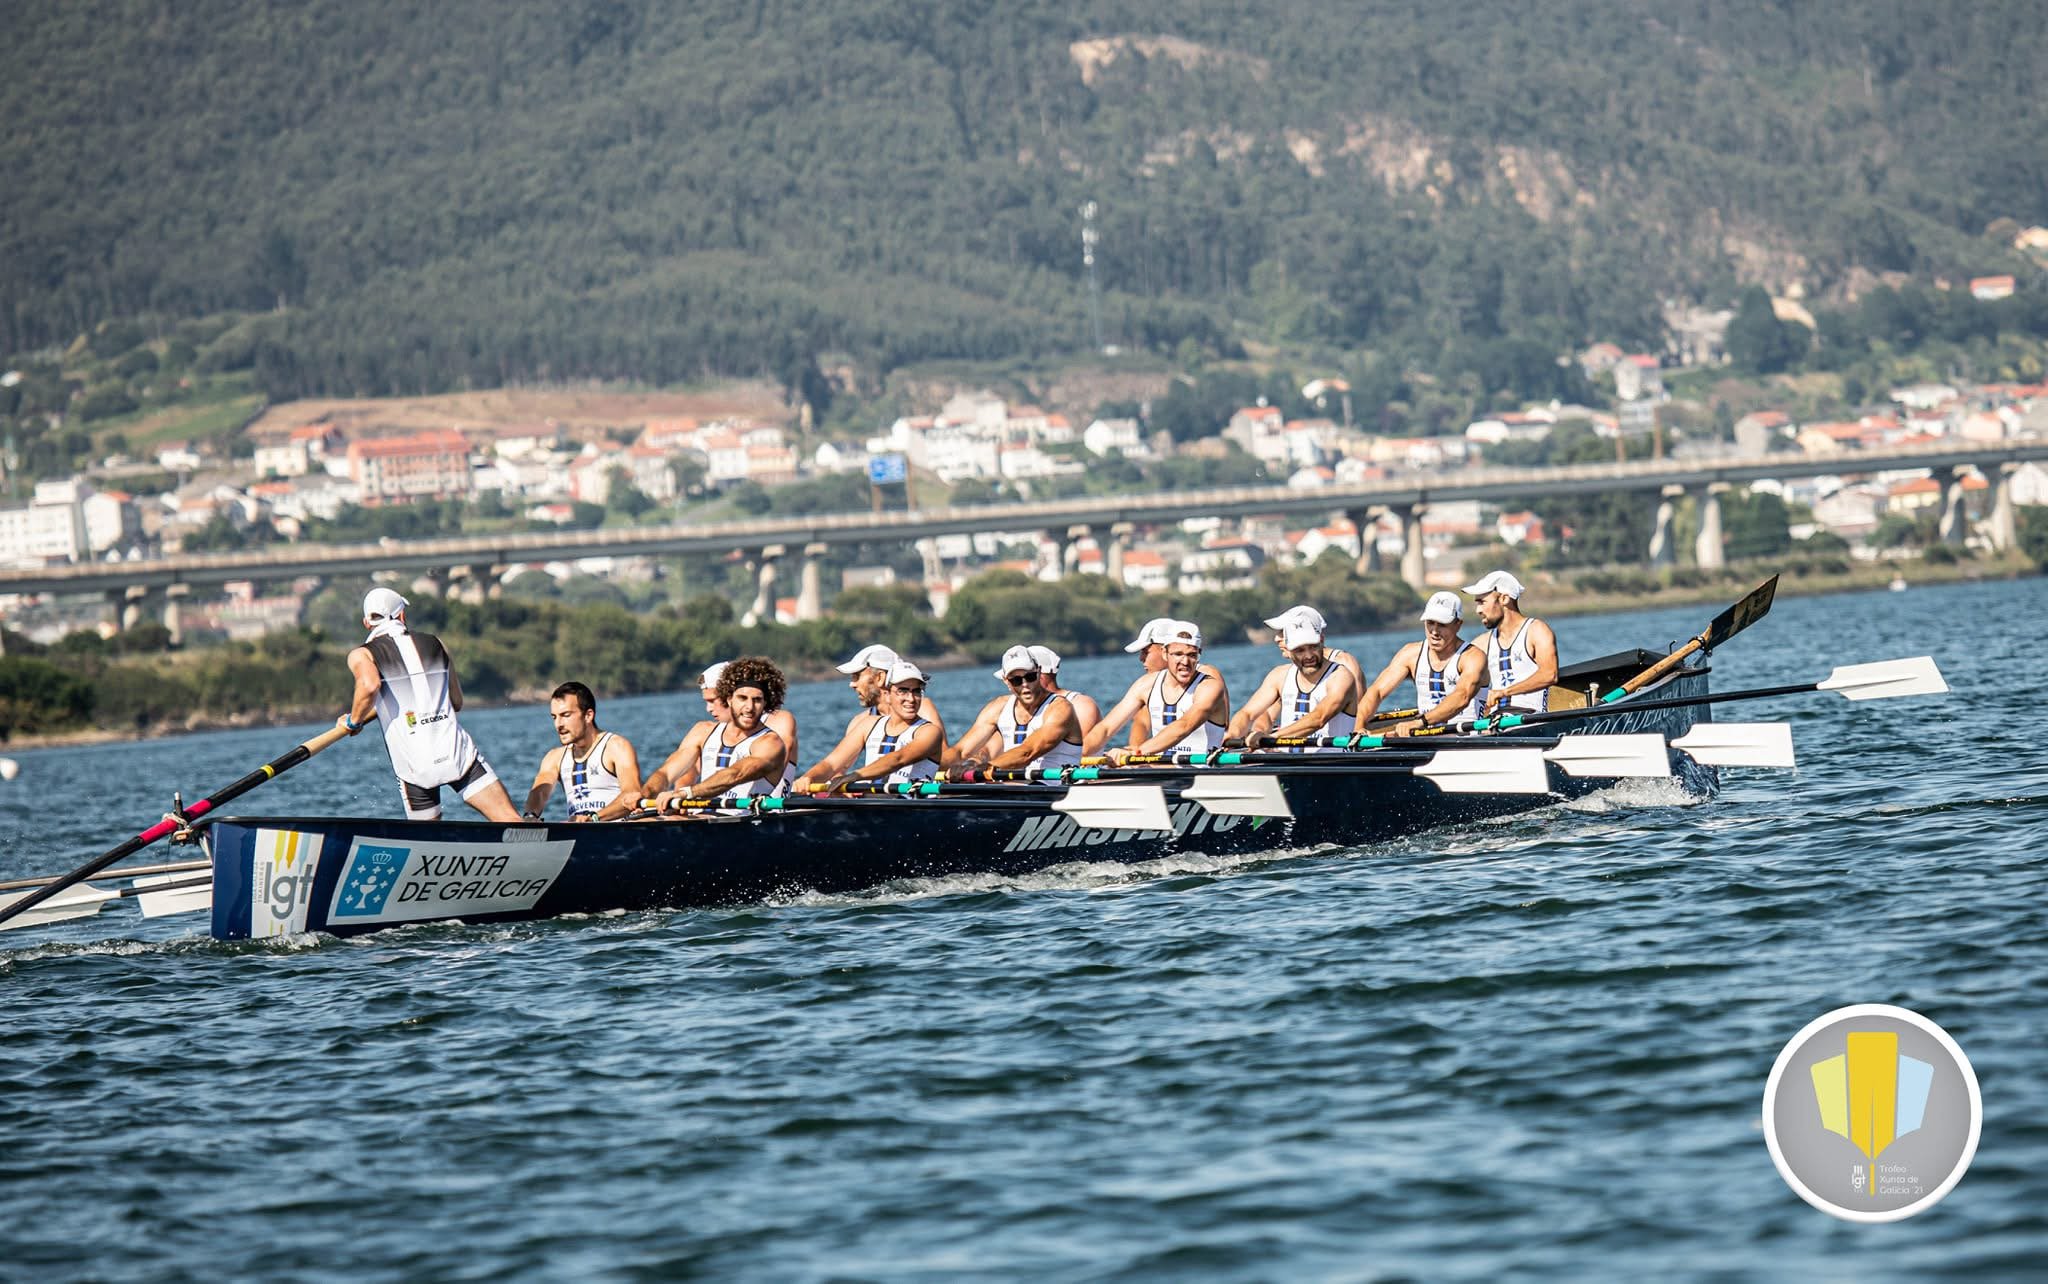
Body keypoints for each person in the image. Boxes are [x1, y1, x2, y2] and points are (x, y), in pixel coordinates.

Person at [337, 587, 521, 822]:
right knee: (510, 820)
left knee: (428, 843)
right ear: (402, 616)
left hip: (414, 769)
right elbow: (456, 702)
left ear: (366, 623)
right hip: (458, 754)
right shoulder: (437, 643)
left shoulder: (361, 654)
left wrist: (354, 720)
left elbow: (370, 685)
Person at [651, 656, 789, 810]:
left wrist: (686, 793)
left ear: (765, 703)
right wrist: (644, 795)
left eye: (757, 700)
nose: (749, 707)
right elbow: (665, 773)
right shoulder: (703, 731)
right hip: (704, 816)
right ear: (729, 699)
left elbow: (734, 774)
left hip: (741, 822)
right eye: (742, 698)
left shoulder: (770, 743)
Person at [1082, 618, 1226, 756]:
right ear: (1165, 653)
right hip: (1163, 771)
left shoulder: (1209, 685)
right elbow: (1106, 729)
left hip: (1201, 772)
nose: (1185, 662)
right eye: (1178, 654)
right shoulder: (1145, 685)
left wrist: (1136, 753)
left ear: (1199, 654)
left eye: (1192, 655)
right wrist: (1076, 756)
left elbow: (1184, 726)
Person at [794, 660, 942, 792]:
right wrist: (808, 778)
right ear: (887, 694)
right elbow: (832, 763)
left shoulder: (929, 732)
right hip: (871, 807)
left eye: (916, 692)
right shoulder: (868, 725)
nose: (911, 699)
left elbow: (898, 759)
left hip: (910, 810)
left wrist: (855, 776)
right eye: (902, 691)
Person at [1355, 592, 1487, 735]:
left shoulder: (1473, 657)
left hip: (1466, 739)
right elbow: (1377, 691)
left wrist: (1420, 722)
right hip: (1425, 737)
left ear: (1458, 624)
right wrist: (1358, 725)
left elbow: (1462, 697)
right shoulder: (1410, 654)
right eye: (1430, 623)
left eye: (1442, 625)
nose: (1434, 631)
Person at [946, 645, 1084, 774]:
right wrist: (931, 764)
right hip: (1015, 787)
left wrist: (984, 768)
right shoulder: (998, 707)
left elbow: (1027, 753)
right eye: (1016, 680)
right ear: (1006, 681)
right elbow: (960, 751)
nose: (1025, 685)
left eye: (1030, 677)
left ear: (1039, 672)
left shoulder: (1060, 708)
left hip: (1055, 787)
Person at [1226, 619, 1360, 751]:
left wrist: (1271, 739)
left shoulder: (1340, 676)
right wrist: (1232, 735)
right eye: (1300, 650)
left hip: (1332, 763)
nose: (1308, 656)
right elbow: (1247, 713)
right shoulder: (1279, 675)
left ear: (1322, 640)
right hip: (1287, 761)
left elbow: (1319, 718)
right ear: (1288, 650)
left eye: (1313, 647)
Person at [521, 681, 644, 821]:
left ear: (588, 716)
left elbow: (632, 794)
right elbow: (540, 793)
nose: (558, 725)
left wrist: (593, 818)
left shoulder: (616, 747)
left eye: (565, 715)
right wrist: (530, 817)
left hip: (616, 829)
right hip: (581, 831)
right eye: (554, 717)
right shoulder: (554, 758)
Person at [1465, 570, 1559, 716]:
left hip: (1531, 719)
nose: (1478, 610)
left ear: (1504, 599)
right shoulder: (1481, 643)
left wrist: (1504, 692)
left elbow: (1549, 675)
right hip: (1495, 722)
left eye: (1482, 602)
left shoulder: (1536, 630)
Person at [836, 643, 946, 741]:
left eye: (857, 676)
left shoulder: (922, 709)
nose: (852, 684)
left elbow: (943, 759)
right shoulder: (858, 723)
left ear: (880, 677)